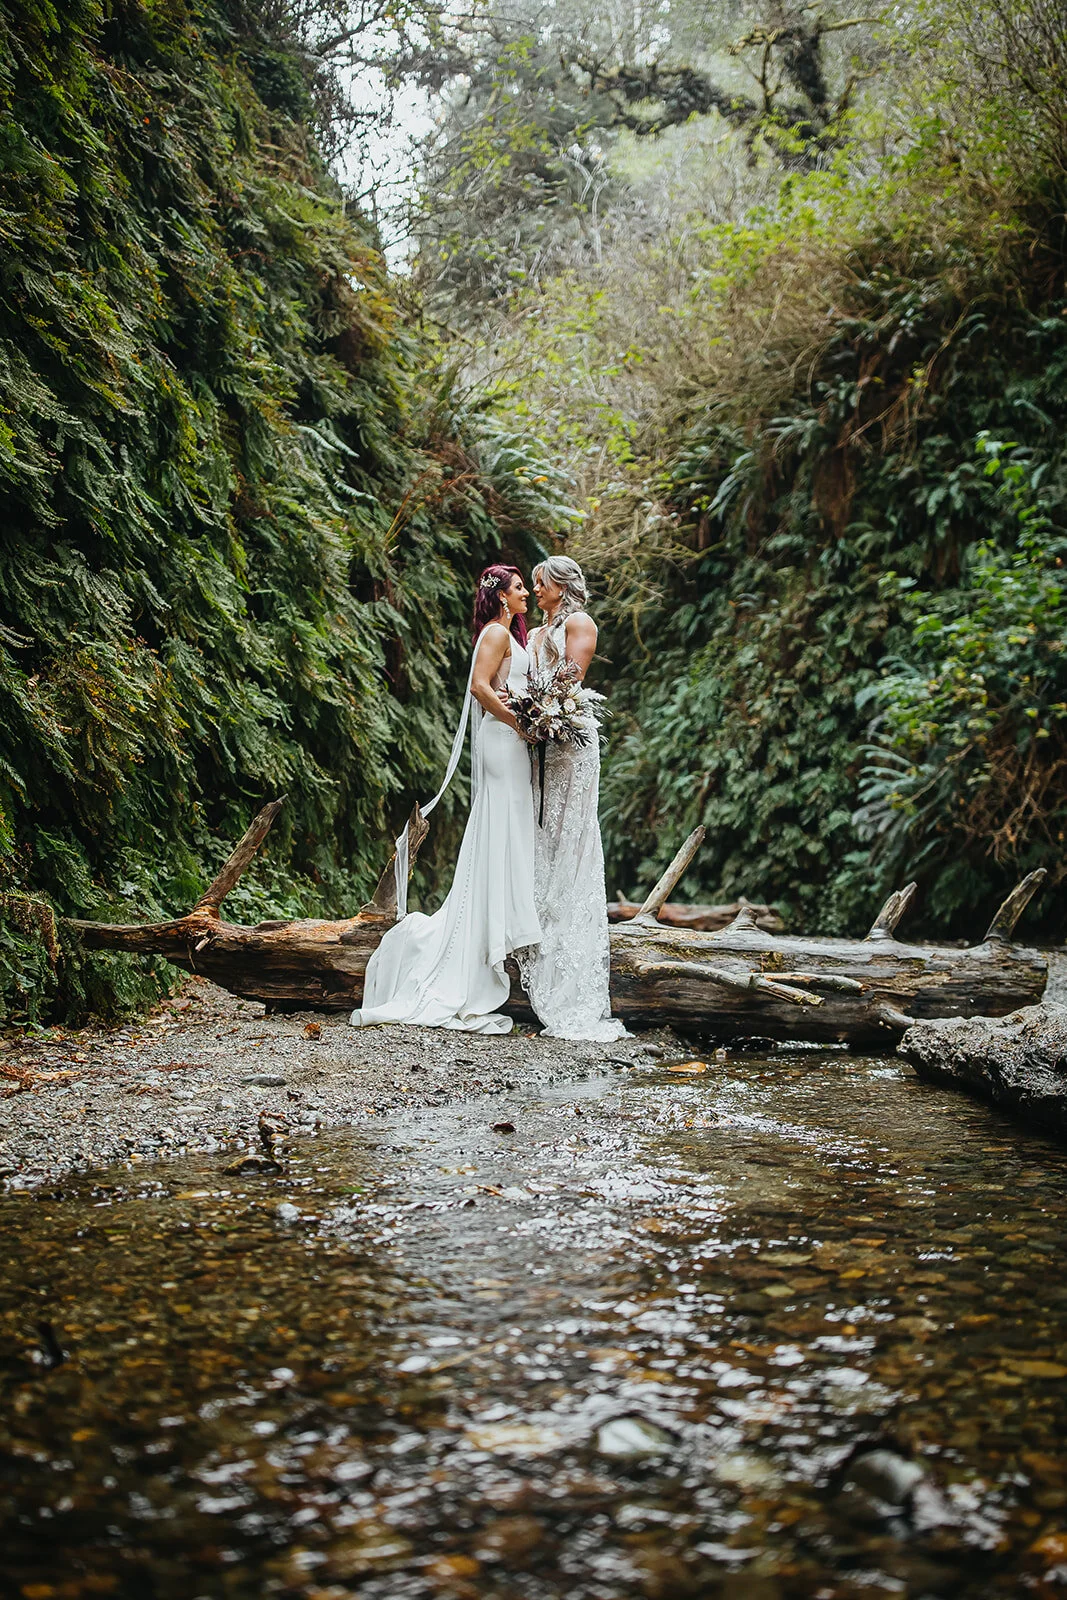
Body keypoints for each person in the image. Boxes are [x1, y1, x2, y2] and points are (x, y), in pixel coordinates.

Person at [349, 566, 541, 1034]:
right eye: (519, 588)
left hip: (511, 742)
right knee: (502, 823)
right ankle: (490, 933)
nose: (526, 594)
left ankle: (505, 921)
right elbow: (479, 688)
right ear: (501, 597)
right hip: (503, 742)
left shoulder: (510, 634)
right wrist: (519, 723)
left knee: (510, 826)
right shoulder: (495, 633)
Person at [519, 556, 627, 1041]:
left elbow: (569, 680)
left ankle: (567, 935)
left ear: (561, 586)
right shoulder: (536, 632)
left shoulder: (580, 623)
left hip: (570, 742)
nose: (536, 590)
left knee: (571, 831)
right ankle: (535, 921)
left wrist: (536, 710)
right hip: (539, 740)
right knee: (539, 829)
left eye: (541, 583)